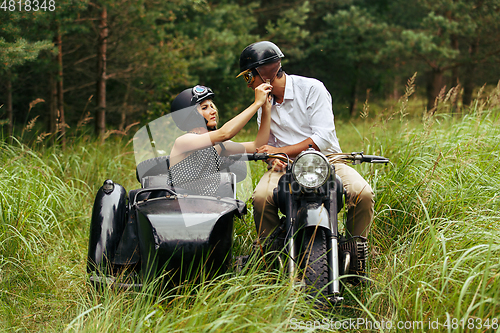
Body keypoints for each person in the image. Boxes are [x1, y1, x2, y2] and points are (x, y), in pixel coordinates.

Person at [237, 41, 375, 240]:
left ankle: (356, 247)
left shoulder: (311, 88)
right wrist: (272, 159)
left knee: (362, 193)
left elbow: (323, 138)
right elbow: (267, 146)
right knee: (261, 198)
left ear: (265, 73)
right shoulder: (263, 103)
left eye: (249, 76)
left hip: (327, 160)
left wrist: (281, 151)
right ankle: (270, 253)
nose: (248, 84)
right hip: (287, 165)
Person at [168, 84, 272, 196]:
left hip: (208, 205)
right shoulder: (183, 141)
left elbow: (258, 145)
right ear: (190, 116)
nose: (213, 111)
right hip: (181, 205)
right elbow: (225, 134)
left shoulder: (218, 145)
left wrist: (266, 108)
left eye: (211, 106)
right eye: (204, 108)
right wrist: (256, 104)